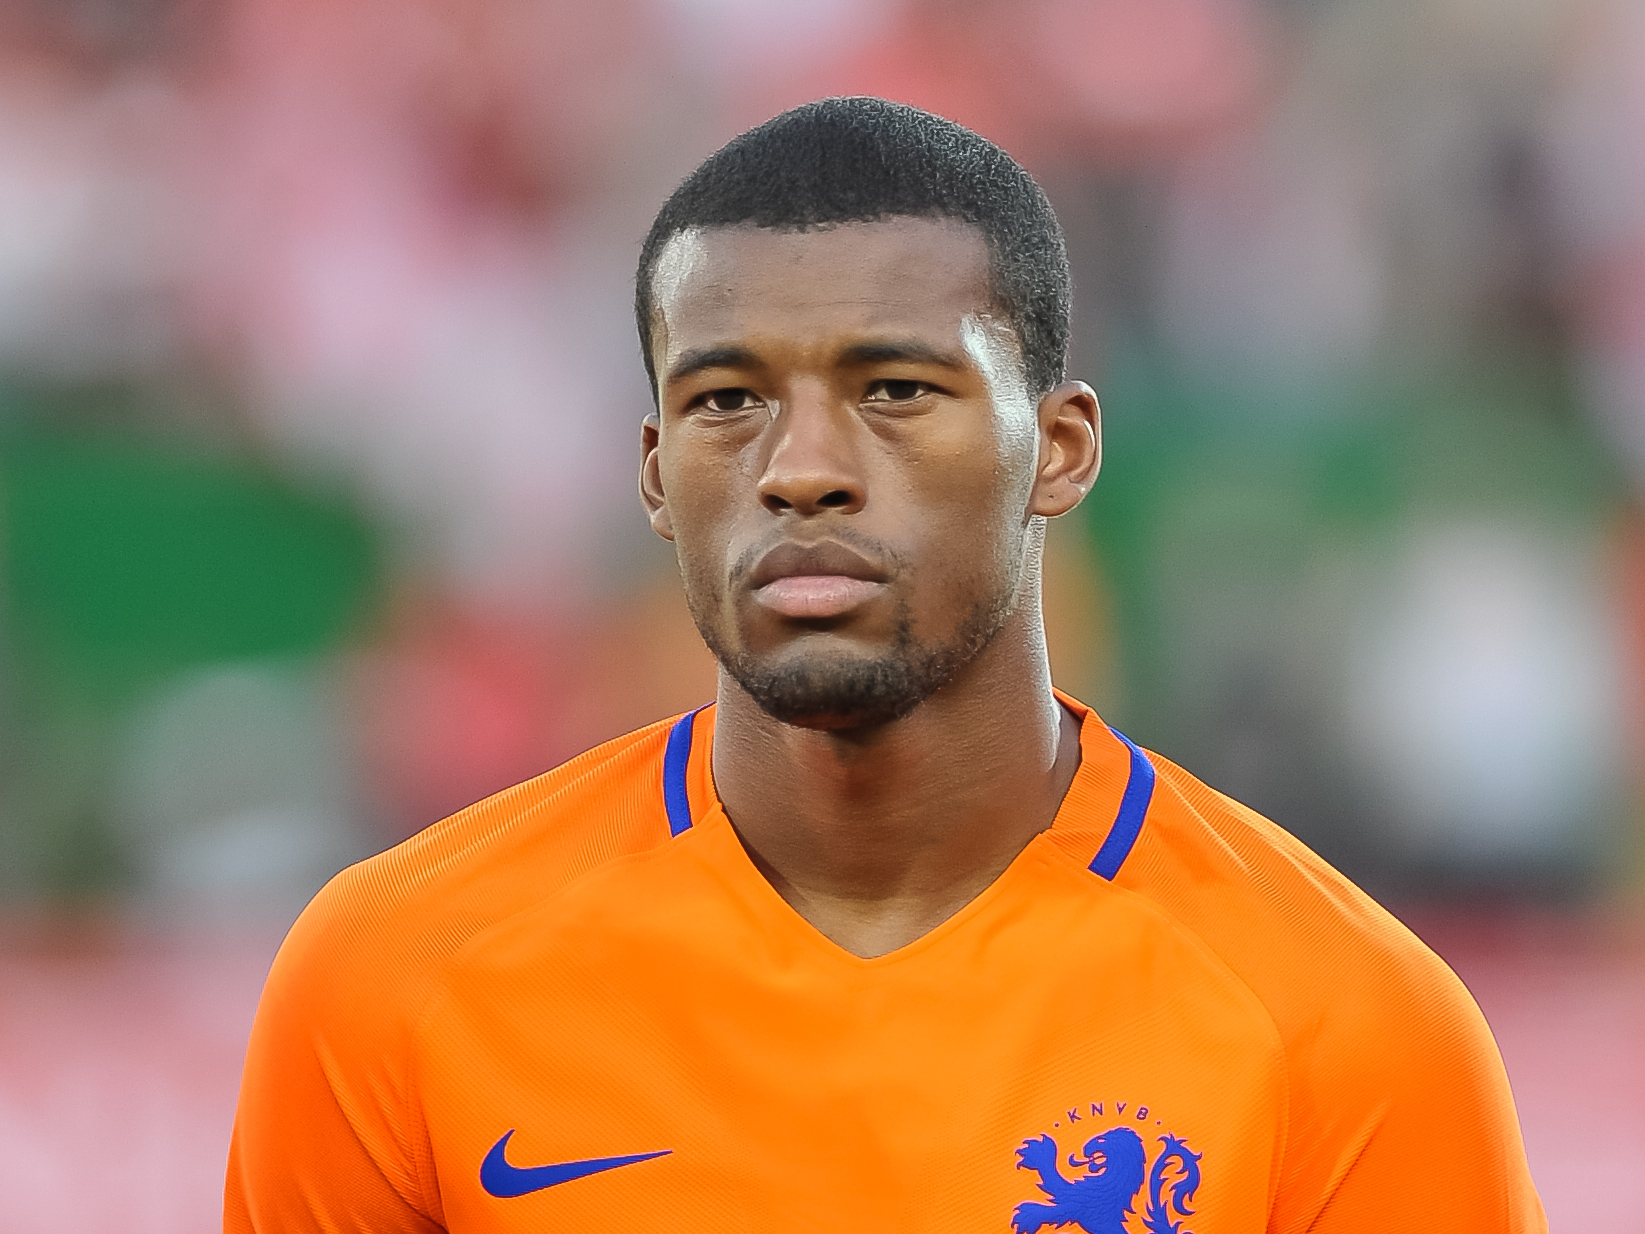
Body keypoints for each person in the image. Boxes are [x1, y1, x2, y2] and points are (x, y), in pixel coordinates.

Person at [226, 97, 1546, 1233]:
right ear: (650, 471)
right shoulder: (391, 976)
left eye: (896, 390)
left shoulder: (1341, 1016)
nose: (799, 468)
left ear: (1062, 446)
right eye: (724, 399)